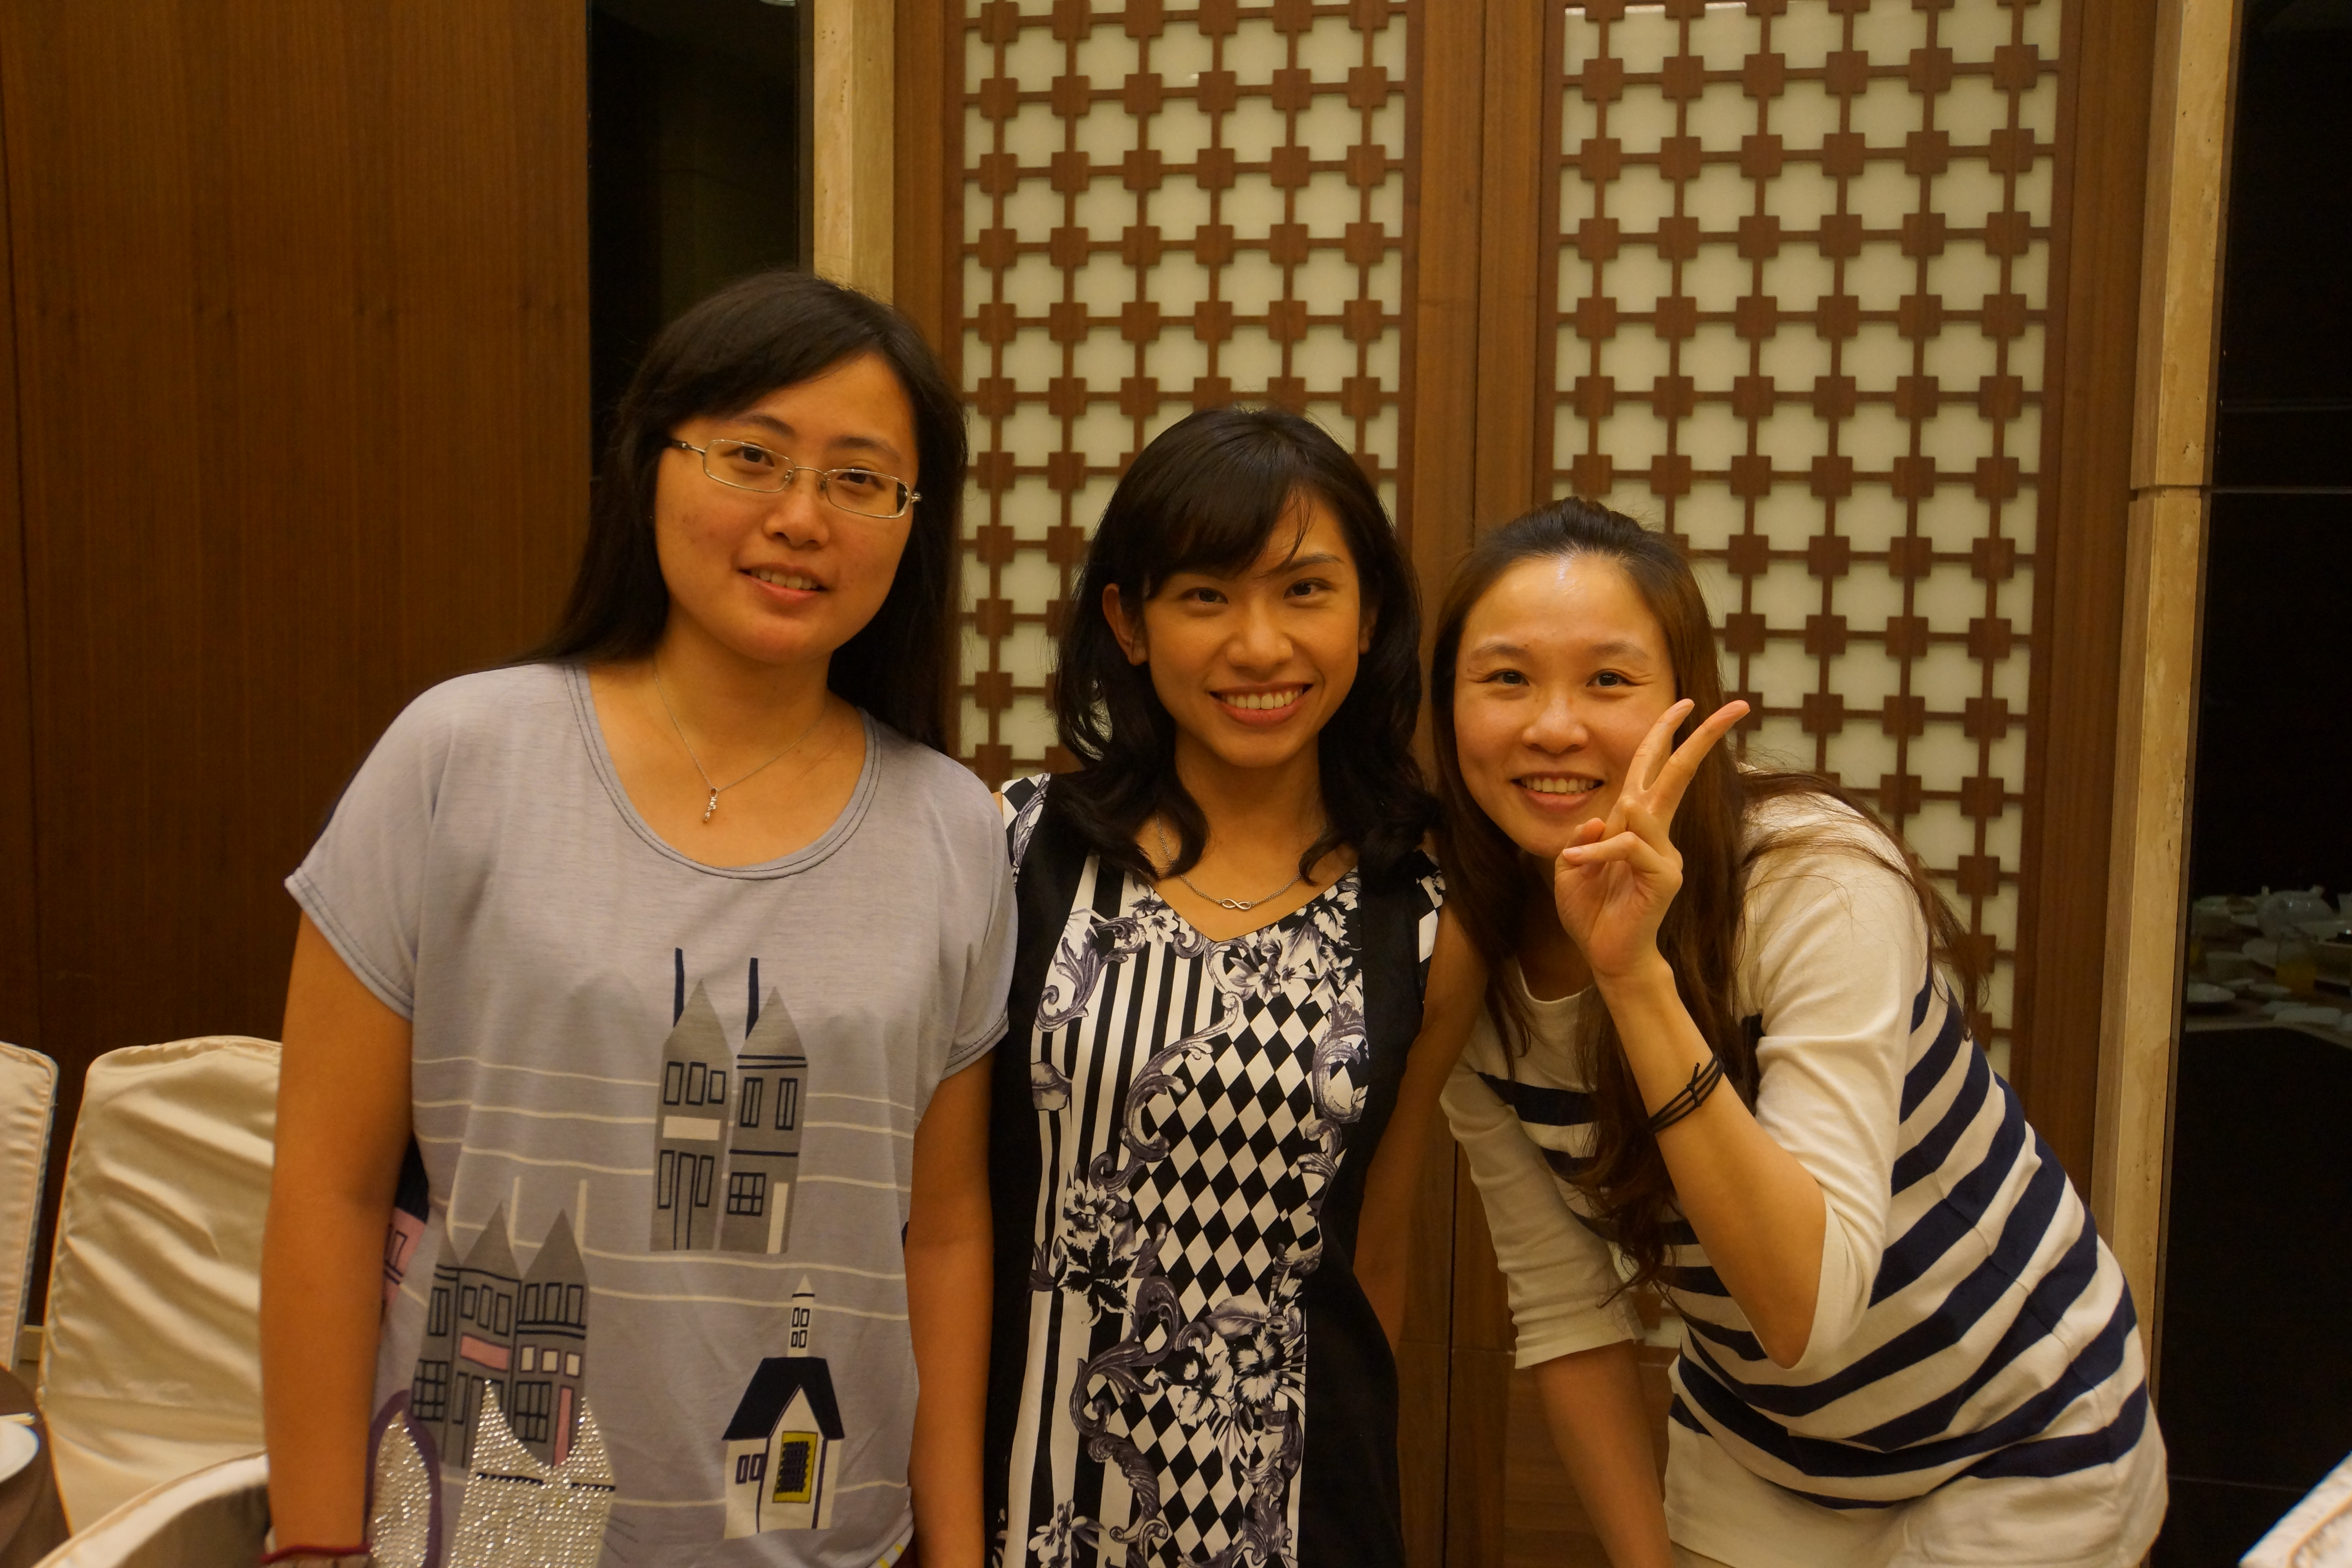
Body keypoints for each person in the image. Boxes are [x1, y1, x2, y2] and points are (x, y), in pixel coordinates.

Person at [259, 271, 1013, 1568]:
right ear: (648, 465)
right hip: (480, 1528)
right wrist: (314, 1542)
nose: (799, 517)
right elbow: (328, 1187)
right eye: (752, 456)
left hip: (821, 1538)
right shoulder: (459, 758)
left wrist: (954, 1552)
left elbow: (941, 1234)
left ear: (912, 524)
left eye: (860, 480)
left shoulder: (955, 829)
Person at [1431, 499, 2165, 1568]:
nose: (1554, 727)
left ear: (1684, 700)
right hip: (1764, 1449)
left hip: (2018, 1433)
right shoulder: (1468, 963)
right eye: (1506, 679)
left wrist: (1632, 977)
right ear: (1447, 707)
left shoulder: (1816, 884)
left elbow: (1805, 1313)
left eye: (1608, 680)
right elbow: (1565, 1310)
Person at [982, 408, 1478, 1568]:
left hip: (1293, 1519)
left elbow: (1375, 1252)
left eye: (1305, 591)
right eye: (1205, 596)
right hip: (1027, 1494)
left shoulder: (1426, 916)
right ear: (1129, 623)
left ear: (1368, 616)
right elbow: (946, 1217)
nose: (1260, 646)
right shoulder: (1016, 849)